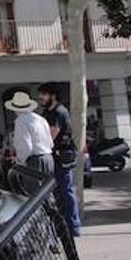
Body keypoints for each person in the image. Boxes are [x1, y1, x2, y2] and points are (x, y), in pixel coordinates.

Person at [38, 82, 82, 236]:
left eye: (44, 94)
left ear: (53, 95)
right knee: (59, 193)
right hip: (55, 157)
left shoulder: (58, 112)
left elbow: (50, 136)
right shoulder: (48, 113)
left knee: (65, 191)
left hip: (61, 157)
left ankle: (72, 227)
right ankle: (64, 226)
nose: (41, 98)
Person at [6, 91, 54, 186]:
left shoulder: (21, 121)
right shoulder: (40, 119)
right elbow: (50, 143)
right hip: (48, 158)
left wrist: (20, 160)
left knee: (35, 194)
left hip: (35, 161)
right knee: (46, 193)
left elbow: (25, 146)